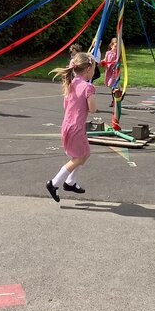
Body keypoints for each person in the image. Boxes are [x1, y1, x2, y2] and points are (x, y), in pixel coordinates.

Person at [46, 52, 97, 202]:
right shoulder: (88, 87)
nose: (94, 71)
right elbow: (93, 109)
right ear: (88, 69)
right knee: (78, 158)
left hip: (68, 125)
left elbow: (66, 105)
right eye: (94, 68)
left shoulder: (70, 83)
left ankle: (70, 182)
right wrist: (91, 96)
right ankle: (54, 183)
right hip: (76, 128)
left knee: (85, 153)